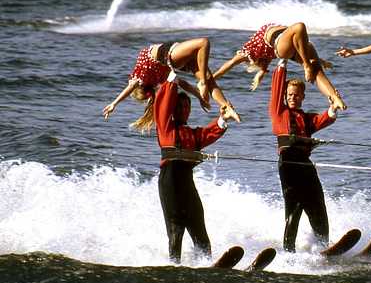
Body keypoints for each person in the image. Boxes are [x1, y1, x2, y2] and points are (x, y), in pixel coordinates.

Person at [154, 70, 235, 264]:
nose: (183, 110)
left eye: (186, 107)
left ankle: (206, 263)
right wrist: (173, 78)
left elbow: (210, 133)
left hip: (186, 180)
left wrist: (223, 118)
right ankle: (175, 267)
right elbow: (162, 104)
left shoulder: (193, 134)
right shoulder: (166, 127)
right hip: (170, 179)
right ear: (173, 110)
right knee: (177, 229)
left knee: (199, 229)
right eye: (179, 107)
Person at [270, 60, 343, 252]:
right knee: (294, 208)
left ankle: (324, 247)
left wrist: (333, 107)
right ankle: (289, 251)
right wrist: (282, 63)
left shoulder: (307, 118)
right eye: (289, 95)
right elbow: (276, 89)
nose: (292, 98)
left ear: (303, 96)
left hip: (305, 164)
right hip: (287, 163)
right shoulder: (279, 112)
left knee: (318, 204)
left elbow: (323, 119)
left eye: (296, 95)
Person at [103, 38, 242, 133]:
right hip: (169, 54)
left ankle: (226, 107)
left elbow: (184, 84)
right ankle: (203, 83)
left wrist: (199, 97)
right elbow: (131, 86)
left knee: (209, 79)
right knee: (204, 43)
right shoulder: (143, 76)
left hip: (177, 59)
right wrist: (114, 103)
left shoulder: (159, 77)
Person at [213, 22, 347, 110]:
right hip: (282, 46)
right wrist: (211, 78)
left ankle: (334, 98)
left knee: (318, 71)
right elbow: (230, 63)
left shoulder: (256, 49)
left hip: (299, 45)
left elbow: (230, 63)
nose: (246, 60)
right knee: (299, 26)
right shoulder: (250, 50)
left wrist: (320, 60)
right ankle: (307, 66)